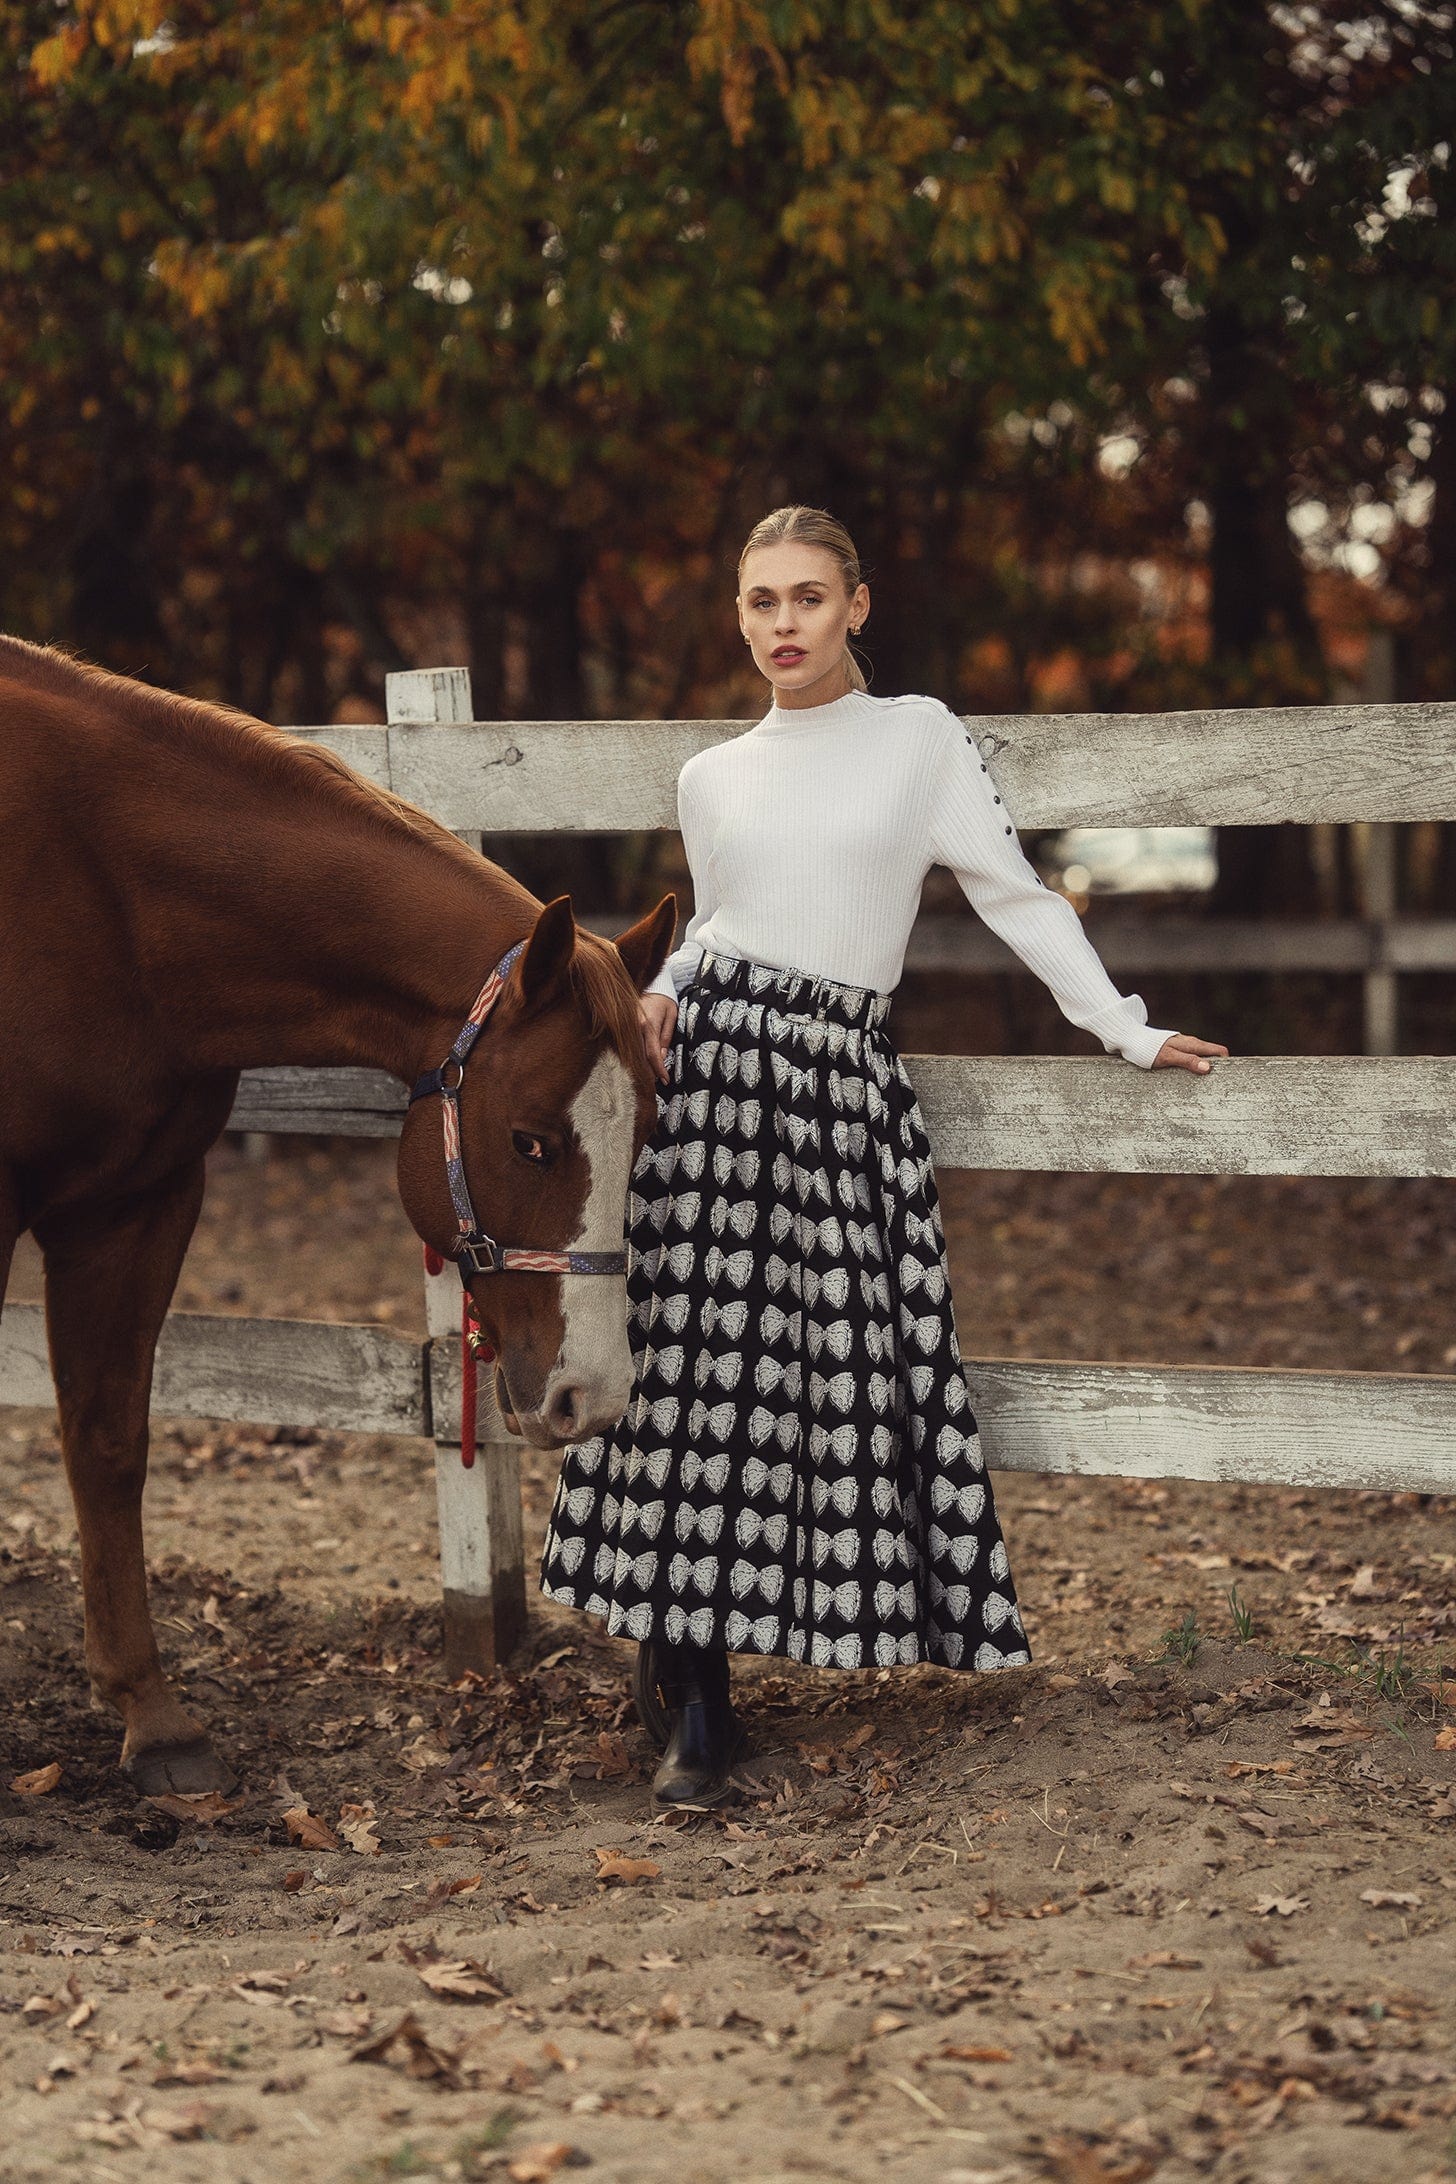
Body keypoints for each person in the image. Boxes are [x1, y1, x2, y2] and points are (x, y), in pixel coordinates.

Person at [541, 505, 1228, 1808]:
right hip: (710, 1082)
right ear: (737, 614)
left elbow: (1014, 891)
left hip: (838, 1087)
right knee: (688, 1381)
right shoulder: (713, 774)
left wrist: (1123, 1030)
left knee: (828, 1375)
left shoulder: (919, 738)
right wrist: (659, 996)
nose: (782, 626)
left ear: (859, 605)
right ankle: (693, 1698)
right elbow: (728, 921)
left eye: (807, 598)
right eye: (760, 604)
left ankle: (748, 1651)